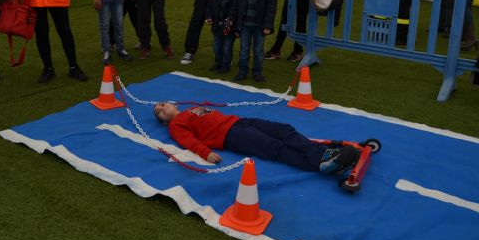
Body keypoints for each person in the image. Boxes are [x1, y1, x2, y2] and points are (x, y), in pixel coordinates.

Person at [153, 103, 360, 173]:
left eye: (162, 104)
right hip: (230, 135)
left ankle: (324, 157)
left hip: (239, 122)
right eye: (160, 111)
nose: (162, 108)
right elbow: (188, 141)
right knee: (274, 147)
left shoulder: (190, 109)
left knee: (284, 129)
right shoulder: (175, 125)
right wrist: (206, 153)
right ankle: (322, 162)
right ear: (163, 120)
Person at [233, 0, 277, 82]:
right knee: (244, 50)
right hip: (245, 24)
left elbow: (271, 5)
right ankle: (242, 71)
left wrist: (268, 24)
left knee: (258, 51)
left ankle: (257, 71)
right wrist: (236, 25)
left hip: (260, 25)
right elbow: (237, 4)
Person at [205, 0, 238, 74]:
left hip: (229, 29)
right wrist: (209, 17)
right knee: (216, 47)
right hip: (216, 28)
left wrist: (231, 22)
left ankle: (226, 66)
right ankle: (218, 63)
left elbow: (235, 12)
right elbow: (209, 8)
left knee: (227, 49)